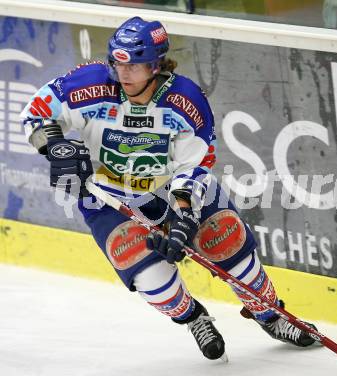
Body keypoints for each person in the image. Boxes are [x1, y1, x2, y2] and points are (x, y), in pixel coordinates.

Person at [20, 17, 318, 361]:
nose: (124, 73)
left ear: (156, 64)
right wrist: (54, 146)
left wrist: (184, 216)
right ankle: (194, 317)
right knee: (154, 283)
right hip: (109, 198)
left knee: (228, 244)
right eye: (118, 63)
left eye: (135, 65)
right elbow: (36, 114)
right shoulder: (87, 84)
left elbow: (195, 163)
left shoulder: (185, 99)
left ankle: (270, 314)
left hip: (170, 189)